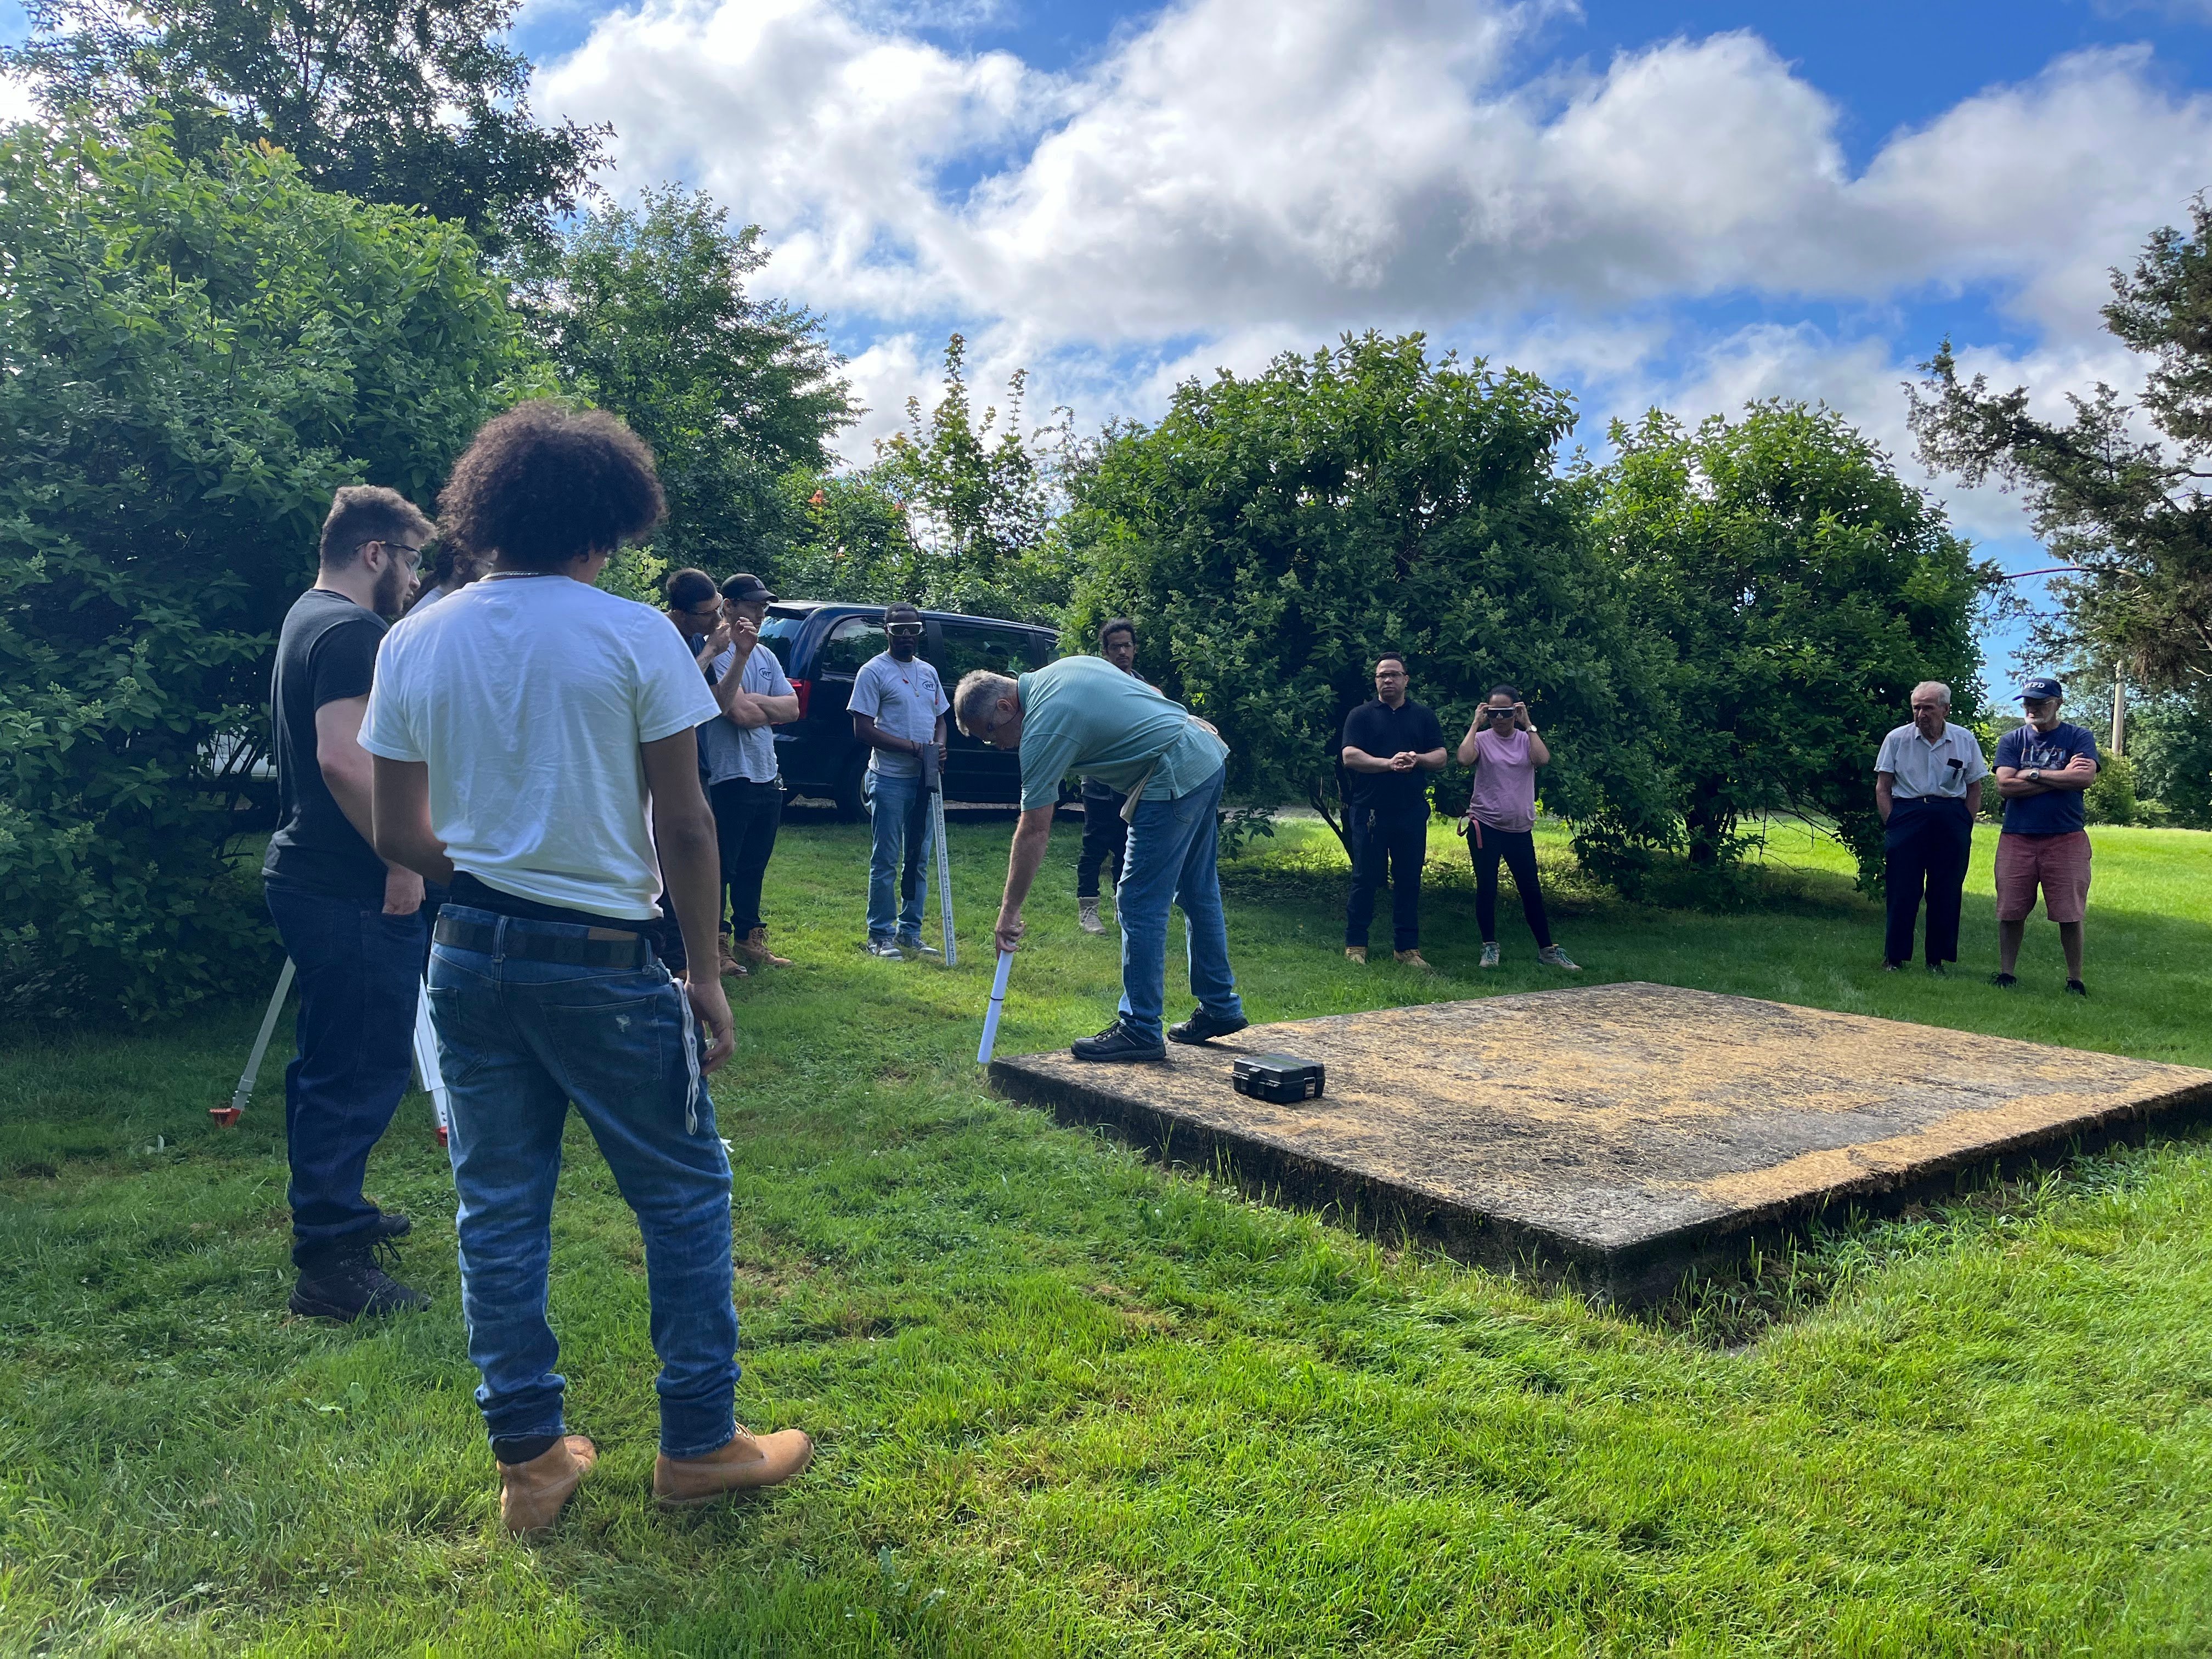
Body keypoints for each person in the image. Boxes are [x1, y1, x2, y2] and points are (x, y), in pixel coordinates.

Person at [364, 402, 810, 1534]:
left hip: (467, 955)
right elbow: (686, 821)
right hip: (604, 959)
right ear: (604, 524)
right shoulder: (634, 634)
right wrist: (705, 970)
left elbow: (397, 832)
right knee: (683, 1192)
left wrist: (493, 868)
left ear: (487, 509)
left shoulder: (414, 636)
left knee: (497, 1207)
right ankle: (699, 1441)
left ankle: (531, 1463)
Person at [263, 484, 434, 1322]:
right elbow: (343, 759)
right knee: (358, 1066)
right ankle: (330, 1265)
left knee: (329, 1056)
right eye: (410, 560)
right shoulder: (353, 632)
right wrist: (401, 857)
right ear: (375, 553)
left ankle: (333, 1211)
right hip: (350, 886)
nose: (415, 579)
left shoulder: (308, 617)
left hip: (312, 877)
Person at [957, 657, 1248, 1062]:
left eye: (990, 735)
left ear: (1005, 708)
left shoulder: (1043, 727)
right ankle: (1219, 1006)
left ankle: (1141, 1028)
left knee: (1138, 899)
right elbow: (1152, 696)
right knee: (1198, 889)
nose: (999, 746)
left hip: (1173, 772)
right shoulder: (1062, 671)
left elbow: (1034, 830)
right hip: (1202, 750)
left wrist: (1009, 912)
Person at [702, 573, 800, 970]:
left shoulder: (767, 655)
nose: (761, 613)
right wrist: (759, 700)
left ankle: (749, 935)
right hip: (728, 775)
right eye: (753, 605)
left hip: (766, 773)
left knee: (754, 864)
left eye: (764, 606)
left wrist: (755, 702)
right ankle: (716, 941)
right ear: (728, 607)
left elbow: (793, 709)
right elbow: (736, 713)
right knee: (721, 866)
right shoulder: (716, 652)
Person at [848, 602, 948, 959]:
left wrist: (938, 748)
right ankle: (880, 935)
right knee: (887, 859)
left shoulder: (928, 671)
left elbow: (940, 718)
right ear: (887, 631)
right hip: (889, 778)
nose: (907, 636)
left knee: (919, 858)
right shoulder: (873, 671)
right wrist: (914, 749)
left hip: (924, 780)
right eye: (899, 630)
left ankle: (910, 932)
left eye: (913, 630)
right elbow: (863, 730)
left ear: (920, 631)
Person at [1455, 686, 1579, 971]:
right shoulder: (1482, 739)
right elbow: (1463, 759)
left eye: (1506, 712)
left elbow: (1542, 760)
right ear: (1487, 712)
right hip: (1485, 825)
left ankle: (1547, 950)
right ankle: (1489, 946)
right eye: (1494, 712)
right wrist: (1475, 724)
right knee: (1487, 888)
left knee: (1531, 889)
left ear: (1516, 711)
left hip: (1519, 829)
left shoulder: (1526, 739)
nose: (1499, 718)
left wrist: (1528, 724)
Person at [1991, 675, 2100, 995]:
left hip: (2067, 837)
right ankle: (2006, 973)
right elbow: (2005, 785)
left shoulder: (2078, 737)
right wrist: (2062, 777)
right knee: (2010, 909)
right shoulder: (2012, 740)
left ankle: (2075, 979)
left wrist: (2033, 774)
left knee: (2070, 912)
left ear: (2058, 704)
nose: (2032, 708)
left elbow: (2084, 779)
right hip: (2017, 836)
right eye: (2028, 703)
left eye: (2040, 703)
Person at [1338, 651, 1446, 968]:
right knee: (1365, 879)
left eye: (1394, 674)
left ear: (1405, 679)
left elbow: (1441, 756)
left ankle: (1407, 949)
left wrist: (1416, 759)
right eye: (1382, 675)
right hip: (1370, 812)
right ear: (1376, 681)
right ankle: (1356, 945)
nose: (1388, 680)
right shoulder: (1361, 715)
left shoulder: (1423, 716)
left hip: (1411, 811)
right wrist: (1389, 763)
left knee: (1409, 879)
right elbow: (1349, 756)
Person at [1874, 681, 1988, 974]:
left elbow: (1975, 788)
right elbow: (1883, 787)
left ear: (1945, 709)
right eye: (1916, 708)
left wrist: (1965, 824)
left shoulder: (1964, 739)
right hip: (1908, 814)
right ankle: (1894, 958)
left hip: (1951, 816)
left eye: (1928, 708)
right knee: (1902, 889)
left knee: (1946, 891)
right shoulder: (1897, 739)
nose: (1921, 714)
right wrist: (1893, 823)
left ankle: (1936, 960)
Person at [658, 568, 740, 977]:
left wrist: (740, 656)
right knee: (671, 859)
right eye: (708, 614)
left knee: (701, 855)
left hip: (697, 759)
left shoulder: (695, 639)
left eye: (718, 610)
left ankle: (693, 959)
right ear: (681, 613)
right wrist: (709, 651)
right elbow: (671, 697)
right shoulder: (662, 637)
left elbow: (716, 705)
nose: (717, 620)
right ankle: (673, 961)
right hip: (662, 763)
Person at [1075, 618, 1142, 935]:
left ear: (1135, 649)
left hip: (1131, 782)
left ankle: (1122, 906)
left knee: (1126, 845)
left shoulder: (1142, 686)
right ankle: (1088, 910)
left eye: (1127, 645)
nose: (1122, 652)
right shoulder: (1096, 685)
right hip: (1099, 782)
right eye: (1115, 647)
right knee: (1095, 844)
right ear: (1105, 652)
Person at [405, 539, 490, 613]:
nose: (493, 574)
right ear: (460, 565)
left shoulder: (451, 605)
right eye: (490, 566)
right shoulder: (430, 612)